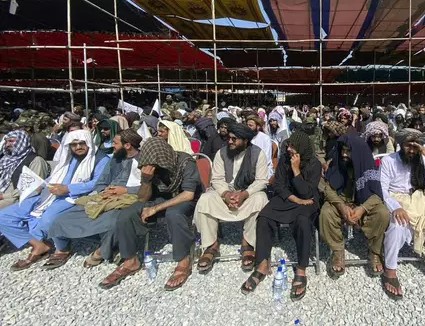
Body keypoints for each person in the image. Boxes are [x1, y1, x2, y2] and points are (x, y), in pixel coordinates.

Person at [99, 136, 202, 290]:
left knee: (174, 214)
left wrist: (155, 208)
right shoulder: (150, 167)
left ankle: (183, 260)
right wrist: (146, 180)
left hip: (184, 199)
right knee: (127, 214)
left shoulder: (186, 162)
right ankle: (130, 260)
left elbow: (188, 194)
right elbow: (142, 198)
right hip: (161, 198)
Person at [0, 130, 109, 271]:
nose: (78, 147)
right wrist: (41, 184)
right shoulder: (70, 157)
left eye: (81, 143)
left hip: (74, 196)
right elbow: (56, 175)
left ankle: (63, 248)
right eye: (74, 144)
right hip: (50, 193)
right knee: (4, 216)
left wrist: (68, 188)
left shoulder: (101, 159)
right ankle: (39, 245)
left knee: (48, 220)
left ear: (88, 143)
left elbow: (98, 183)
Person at [43, 129, 143, 269]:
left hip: (129, 199)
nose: (112, 146)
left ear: (127, 145)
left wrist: (125, 190)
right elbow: (101, 182)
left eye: (115, 143)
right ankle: (62, 249)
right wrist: (103, 191)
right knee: (62, 219)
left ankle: (102, 251)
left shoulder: (143, 160)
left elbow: (149, 188)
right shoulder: (116, 158)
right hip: (105, 197)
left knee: (115, 222)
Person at [241, 130, 321, 300]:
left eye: (293, 146)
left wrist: (296, 170)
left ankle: (301, 269)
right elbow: (278, 185)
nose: (289, 148)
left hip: (308, 200)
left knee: (303, 221)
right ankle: (262, 264)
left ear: (302, 147)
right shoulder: (284, 159)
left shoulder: (314, 164)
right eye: (289, 145)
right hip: (288, 198)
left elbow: (307, 193)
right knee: (264, 217)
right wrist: (294, 199)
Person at [379, 128, 425, 301]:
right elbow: (382, 190)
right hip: (396, 200)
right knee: (397, 224)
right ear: (400, 144)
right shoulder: (388, 161)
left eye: (416, 146)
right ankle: (390, 270)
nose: (412, 150)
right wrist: (394, 207)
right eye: (408, 146)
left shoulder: (422, 159)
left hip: (419, 200)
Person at [194, 123, 269, 273]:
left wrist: (244, 194)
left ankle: (247, 243)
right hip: (225, 194)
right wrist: (227, 195)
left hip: (247, 194)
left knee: (261, 199)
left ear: (245, 141)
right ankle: (211, 245)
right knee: (205, 199)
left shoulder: (257, 154)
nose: (230, 141)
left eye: (234, 139)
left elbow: (261, 181)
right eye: (229, 138)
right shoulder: (222, 153)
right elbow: (216, 179)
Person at [320, 134, 389, 278]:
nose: (344, 154)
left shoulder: (367, 164)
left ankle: (374, 251)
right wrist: (341, 206)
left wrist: (362, 208)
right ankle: (338, 251)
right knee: (326, 212)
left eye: (348, 151)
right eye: (342, 150)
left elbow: (377, 195)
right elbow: (328, 189)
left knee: (382, 213)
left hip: (362, 202)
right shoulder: (337, 163)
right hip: (341, 200)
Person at [0, 130, 50, 210]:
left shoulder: (36, 161)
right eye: (6, 141)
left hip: (16, 198)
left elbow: (33, 188)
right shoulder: (6, 159)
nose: (7, 145)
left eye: (11, 141)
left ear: (22, 141)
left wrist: (3, 196)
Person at [246, 115, 274, 180]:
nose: (248, 127)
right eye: (247, 125)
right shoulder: (245, 138)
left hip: (262, 169)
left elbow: (266, 158)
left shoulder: (265, 138)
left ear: (258, 127)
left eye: (251, 125)